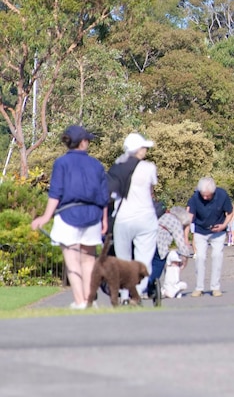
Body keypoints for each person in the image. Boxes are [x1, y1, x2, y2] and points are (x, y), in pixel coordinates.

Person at [31, 125, 110, 310]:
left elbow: (55, 193)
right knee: (88, 260)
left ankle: (80, 301)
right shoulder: (96, 164)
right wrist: (104, 219)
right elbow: (103, 196)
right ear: (82, 142)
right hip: (92, 215)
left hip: (68, 214)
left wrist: (45, 216)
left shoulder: (61, 163)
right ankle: (90, 301)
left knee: (72, 260)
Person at [111, 132, 158, 301]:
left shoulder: (117, 166)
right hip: (145, 216)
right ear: (138, 150)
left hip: (123, 217)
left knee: (123, 259)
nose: (145, 150)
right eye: (144, 147)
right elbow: (151, 192)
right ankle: (137, 291)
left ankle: (124, 293)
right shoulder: (149, 168)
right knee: (144, 258)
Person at [187, 177, 234, 297]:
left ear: (213, 192)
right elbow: (189, 217)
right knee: (200, 257)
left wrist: (223, 225)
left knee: (216, 256)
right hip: (200, 231)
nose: (205, 198)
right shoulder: (195, 197)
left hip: (218, 231)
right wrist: (185, 237)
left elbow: (230, 213)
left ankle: (215, 287)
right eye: (203, 195)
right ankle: (199, 288)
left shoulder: (222, 195)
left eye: (208, 195)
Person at [149, 206, 193, 298]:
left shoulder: (164, 215)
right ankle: (149, 289)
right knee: (157, 265)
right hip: (159, 244)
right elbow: (180, 243)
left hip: (147, 241)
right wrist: (185, 257)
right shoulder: (176, 223)